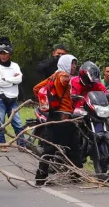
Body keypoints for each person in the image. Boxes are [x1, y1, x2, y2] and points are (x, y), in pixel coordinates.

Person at [32, 54, 80, 185]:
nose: (74, 66)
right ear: (65, 63)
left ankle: (40, 178)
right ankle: (76, 174)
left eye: (75, 64)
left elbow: (36, 89)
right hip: (64, 118)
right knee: (74, 147)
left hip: (53, 117)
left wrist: (48, 102)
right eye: (72, 64)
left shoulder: (53, 76)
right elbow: (64, 80)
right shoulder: (62, 76)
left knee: (48, 149)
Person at [0, 45, 24, 144]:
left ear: (9, 54)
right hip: (0, 97)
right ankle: (2, 143)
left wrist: (6, 79)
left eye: (5, 53)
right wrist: (13, 81)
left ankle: (22, 145)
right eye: (1, 53)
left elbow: (19, 79)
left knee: (17, 123)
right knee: (0, 121)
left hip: (13, 98)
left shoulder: (15, 66)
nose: (3, 56)